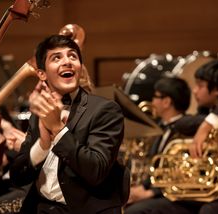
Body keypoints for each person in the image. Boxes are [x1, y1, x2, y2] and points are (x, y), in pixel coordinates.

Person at [9, 35, 130, 214]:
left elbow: (95, 171)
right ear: (42, 74)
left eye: (73, 56)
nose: (67, 61)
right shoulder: (41, 110)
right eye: (56, 57)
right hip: (40, 206)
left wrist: (58, 130)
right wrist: (42, 146)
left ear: (80, 68)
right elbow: (18, 177)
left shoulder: (105, 110)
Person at [149, 59, 218, 214]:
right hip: (213, 195)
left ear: (217, 89)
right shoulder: (205, 111)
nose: (194, 91)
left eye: (200, 85)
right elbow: (182, 123)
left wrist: (207, 126)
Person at [124, 76, 194, 214]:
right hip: (159, 193)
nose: (152, 101)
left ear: (167, 101)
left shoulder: (187, 130)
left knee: (134, 211)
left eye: (155, 96)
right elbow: (155, 169)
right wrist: (142, 188)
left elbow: (181, 175)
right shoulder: (161, 127)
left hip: (177, 198)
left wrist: (150, 193)